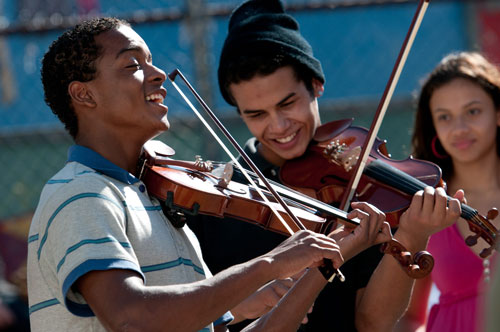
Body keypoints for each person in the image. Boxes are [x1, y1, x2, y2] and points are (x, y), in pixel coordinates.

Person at [26, 16, 397, 332]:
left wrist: (327, 258)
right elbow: (129, 319)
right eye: (133, 65)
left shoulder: (153, 198)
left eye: (152, 61)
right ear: (84, 95)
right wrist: (267, 265)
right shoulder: (82, 193)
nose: (158, 75)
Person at [186, 0, 464, 331]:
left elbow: (374, 323)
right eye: (255, 114)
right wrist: (241, 304)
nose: (278, 127)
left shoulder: (357, 183)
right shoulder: (218, 198)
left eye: (287, 104)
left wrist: (413, 235)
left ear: (317, 85)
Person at [395, 51, 500, 332]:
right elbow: (409, 317)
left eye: (473, 111)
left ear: (498, 113)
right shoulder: (424, 203)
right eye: (445, 117)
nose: (459, 129)